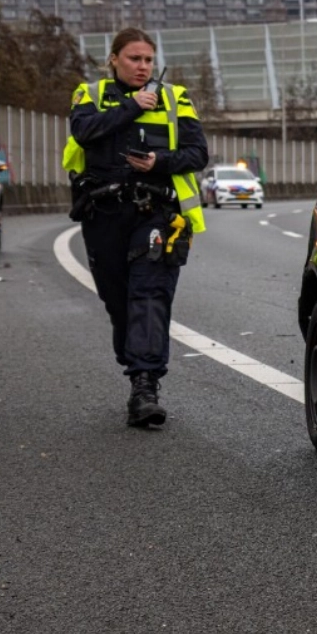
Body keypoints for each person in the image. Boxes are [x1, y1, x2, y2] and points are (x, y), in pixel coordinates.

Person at [63, 28, 208, 428]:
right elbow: (83, 131)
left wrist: (158, 163)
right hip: (104, 214)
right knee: (120, 302)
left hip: (155, 213)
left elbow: (198, 154)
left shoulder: (175, 98)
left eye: (148, 59)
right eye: (134, 58)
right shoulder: (88, 95)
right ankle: (136, 359)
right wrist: (131, 106)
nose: (142, 66)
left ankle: (145, 386)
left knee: (149, 295)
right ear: (113, 59)